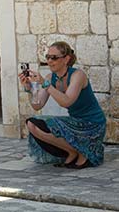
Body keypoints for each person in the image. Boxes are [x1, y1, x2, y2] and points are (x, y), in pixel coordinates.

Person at [18, 41, 106, 169]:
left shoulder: (78, 75)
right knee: (32, 124)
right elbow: (37, 105)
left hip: (93, 123)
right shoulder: (50, 77)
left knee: (53, 124)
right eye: (47, 57)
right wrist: (28, 88)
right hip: (74, 121)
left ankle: (85, 152)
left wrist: (45, 84)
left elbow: (66, 101)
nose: (49, 61)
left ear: (66, 59)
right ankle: (73, 151)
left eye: (54, 58)